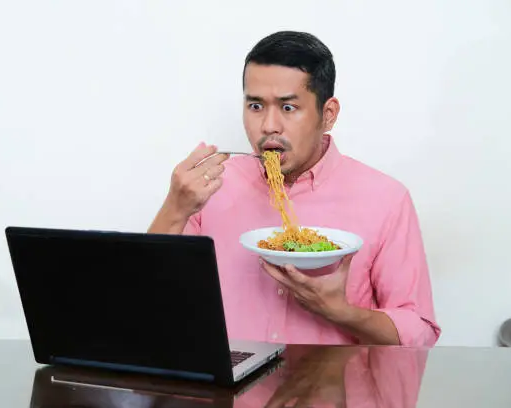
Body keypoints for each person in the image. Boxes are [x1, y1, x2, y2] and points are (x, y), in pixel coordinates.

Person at [148, 31, 441, 346]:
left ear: (328, 115)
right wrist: (174, 207)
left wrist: (341, 312)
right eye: (256, 106)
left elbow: (419, 333)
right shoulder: (210, 188)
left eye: (288, 108)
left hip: (335, 391)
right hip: (227, 391)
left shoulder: (386, 200)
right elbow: (145, 298)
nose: (269, 126)